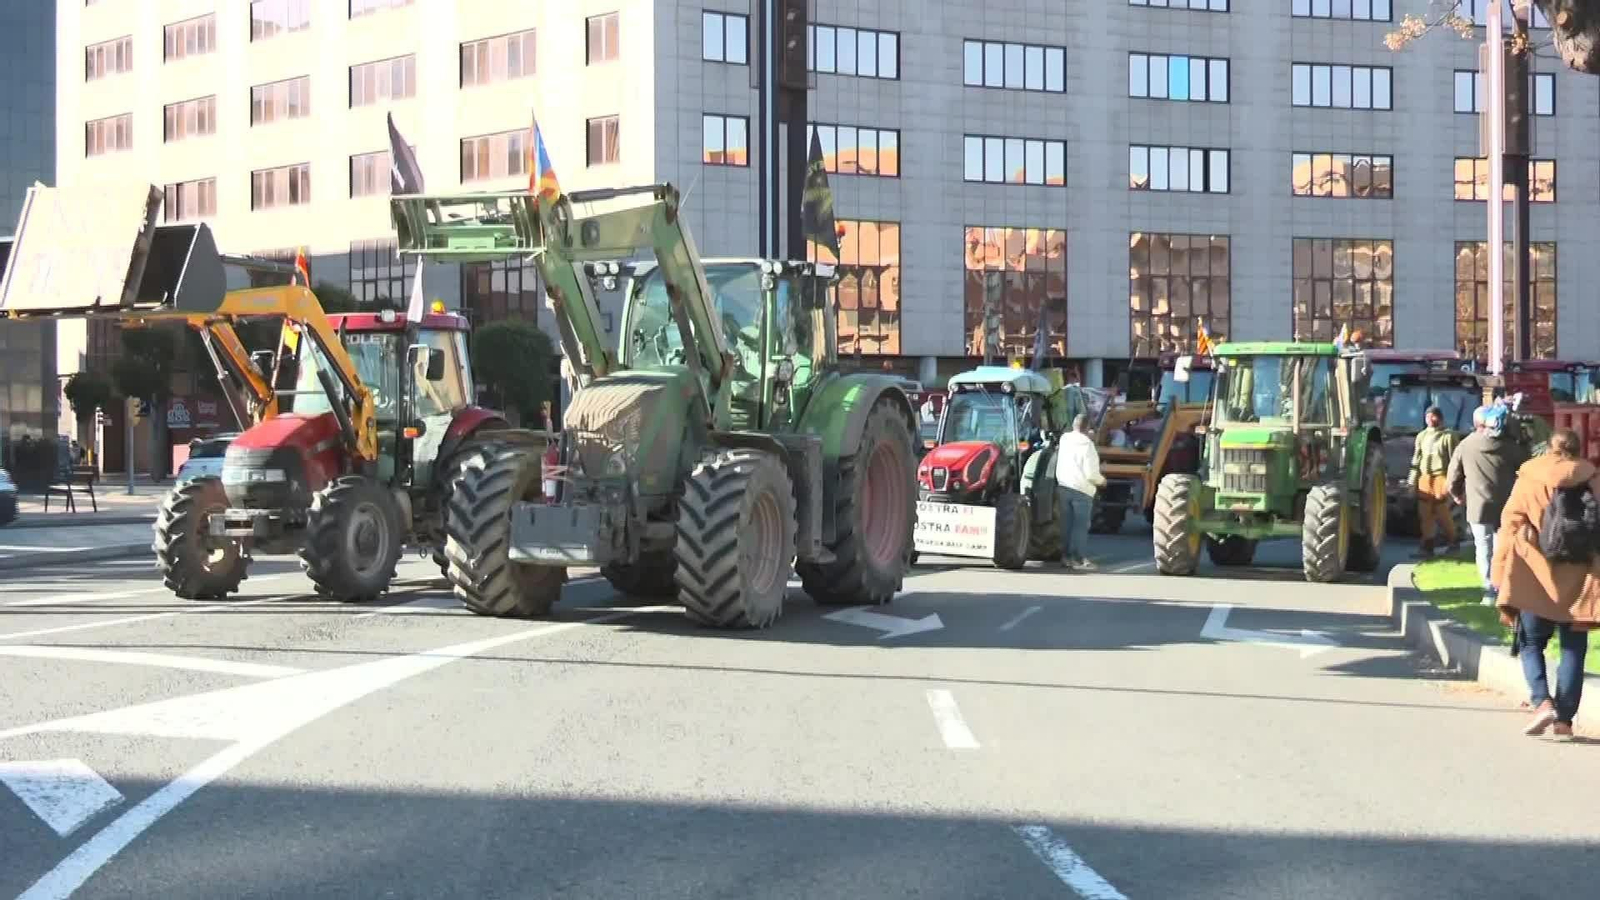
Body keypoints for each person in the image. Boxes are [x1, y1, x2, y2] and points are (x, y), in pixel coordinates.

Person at [1492, 429, 1600, 739]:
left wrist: (1499, 572)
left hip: (1534, 574)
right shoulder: (1592, 478)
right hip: (1581, 578)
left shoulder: (1530, 477)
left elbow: (1509, 524)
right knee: (1573, 649)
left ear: (1548, 449)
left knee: (1530, 642)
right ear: (1578, 450)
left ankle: (1542, 702)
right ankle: (1564, 720)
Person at [1448, 404, 1527, 605]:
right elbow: (1527, 468)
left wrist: (1458, 495)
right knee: (1504, 547)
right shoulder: (1511, 447)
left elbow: (1453, 478)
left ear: (1477, 423)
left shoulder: (1465, 445)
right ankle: (1504, 587)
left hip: (1477, 505)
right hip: (1507, 504)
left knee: (1483, 547)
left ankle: (1489, 589)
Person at [1054, 413, 1105, 571]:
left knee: (1066, 525)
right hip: (1081, 490)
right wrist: (1102, 481)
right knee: (1080, 526)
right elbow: (1091, 474)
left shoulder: (1064, 439)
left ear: (1073, 425)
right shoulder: (1088, 445)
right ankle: (1078, 558)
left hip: (1063, 486)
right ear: (1088, 427)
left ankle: (1066, 557)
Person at [1409, 405, 1460, 558]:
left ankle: (1453, 540)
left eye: (1433, 416)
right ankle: (1427, 544)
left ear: (1440, 418)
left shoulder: (1448, 436)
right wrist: (1412, 481)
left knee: (1442, 512)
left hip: (1441, 477)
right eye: (1427, 416)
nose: (1430, 419)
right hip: (1425, 478)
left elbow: (1454, 460)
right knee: (1425, 514)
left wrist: (1454, 481)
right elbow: (1416, 460)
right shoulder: (1421, 436)